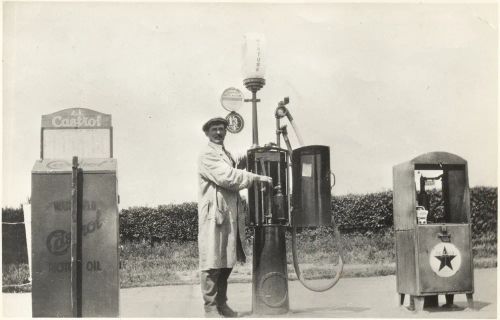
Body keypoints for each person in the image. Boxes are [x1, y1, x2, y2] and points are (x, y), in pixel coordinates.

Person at [198, 117, 272, 318]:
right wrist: (255, 178)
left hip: (228, 215)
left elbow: (236, 159)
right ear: (207, 133)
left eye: (222, 129)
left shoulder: (223, 153)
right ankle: (210, 307)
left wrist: (257, 148)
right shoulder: (207, 154)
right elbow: (227, 176)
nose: (219, 133)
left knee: (226, 261)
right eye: (214, 129)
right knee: (212, 262)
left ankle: (222, 305)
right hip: (214, 216)